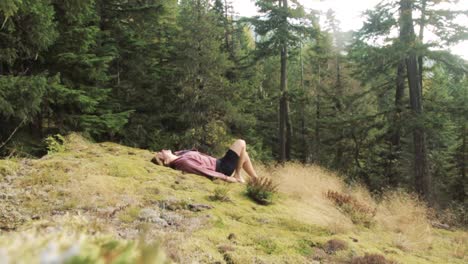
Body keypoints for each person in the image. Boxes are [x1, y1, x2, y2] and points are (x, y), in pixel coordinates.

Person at [152, 139, 258, 183]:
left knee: (243, 155)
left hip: (219, 162)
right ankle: (238, 175)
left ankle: (257, 181)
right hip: (221, 168)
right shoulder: (183, 162)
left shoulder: (179, 155)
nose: (162, 150)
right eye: (161, 153)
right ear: (165, 161)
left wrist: (177, 154)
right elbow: (204, 172)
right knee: (241, 142)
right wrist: (229, 179)